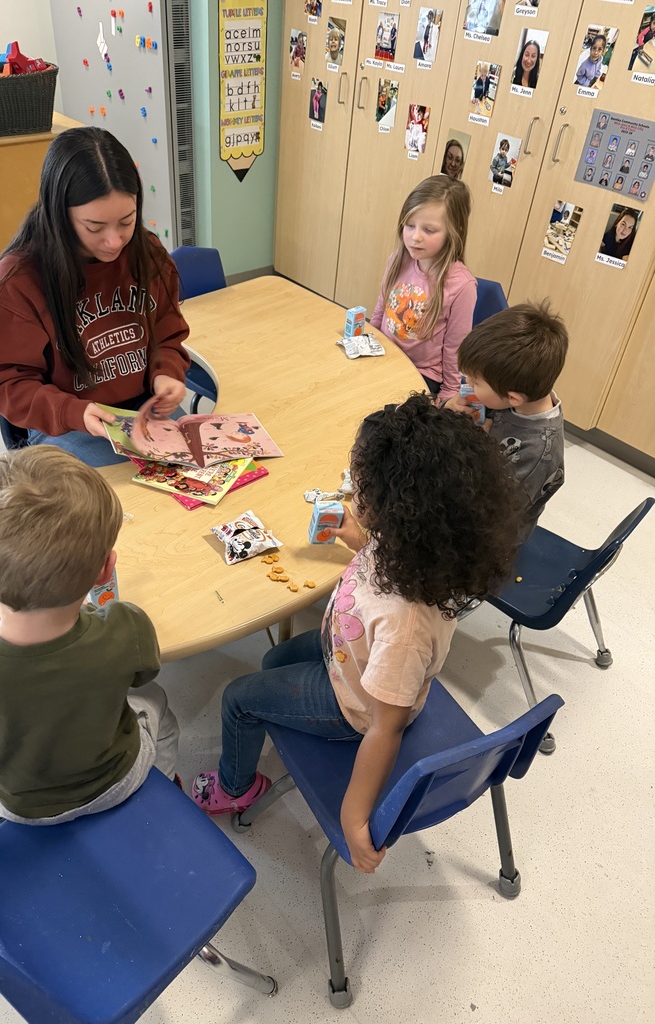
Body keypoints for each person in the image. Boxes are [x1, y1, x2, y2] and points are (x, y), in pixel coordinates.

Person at [191, 395, 524, 873]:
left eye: (361, 489)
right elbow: (381, 572)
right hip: (347, 653)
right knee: (272, 662)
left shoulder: (405, 627)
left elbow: (385, 728)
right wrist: (358, 539)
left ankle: (236, 789)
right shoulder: (415, 549)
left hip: (356, 707)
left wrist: (354, 814)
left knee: (239, 698)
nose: (352, 495)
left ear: (397, 510)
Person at [0, 446, 180, 832]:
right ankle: (166, 792)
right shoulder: (128, 627)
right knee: (158, 704)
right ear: (106, 568)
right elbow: (143, 675)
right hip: (115, 785)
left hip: (18, 805)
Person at [0, 127, 190, 469]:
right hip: (69, 422)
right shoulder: (19, 281)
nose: (114, 241)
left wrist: (168, 372)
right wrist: (70, 411)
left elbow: (167, 330)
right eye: (94, 227)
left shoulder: (146, 253)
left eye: (127, 221)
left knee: (199, 481)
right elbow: (6, 382)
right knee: (109, 510)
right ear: (59, 215)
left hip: (145, 405)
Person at [446, 302, 568, 531]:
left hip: (487, 536)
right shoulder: (505, 393)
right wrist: (449, 408)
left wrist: (475, 450)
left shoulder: (539, 455)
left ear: (513, 398)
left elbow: (489, 515)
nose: (467, 385)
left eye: (475, 382)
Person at [370, 176, 476, 403]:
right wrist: (366, 341)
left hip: (422, 374)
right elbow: (381, 310)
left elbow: (454, 348)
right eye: (410, 226)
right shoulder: (398, 259)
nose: (415, 237)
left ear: (454, 230)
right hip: (384, 356)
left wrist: (448, 393)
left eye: (429, 230)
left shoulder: (462, 286)